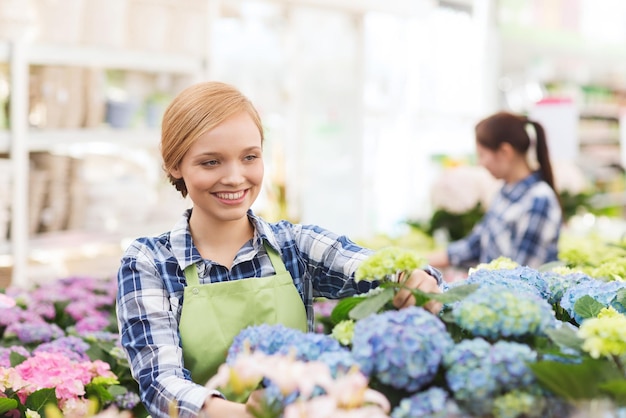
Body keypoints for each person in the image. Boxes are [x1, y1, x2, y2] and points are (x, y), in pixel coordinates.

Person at [116, 81, 444, 418]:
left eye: (249, 157)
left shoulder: (295, 247)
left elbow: (370, 267)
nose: (234, 177)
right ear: (175, 165)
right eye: (211, 162)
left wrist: (415, 278)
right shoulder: (150, 262)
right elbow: (160, 383)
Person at [427, 111, 563, 271]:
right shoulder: (505, 192)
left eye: (482, 155)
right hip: (493, 292)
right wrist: (419, 261)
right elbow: (475, 245)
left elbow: (523, 275)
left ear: (505, 152)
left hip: (514, 295)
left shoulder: (539, 200)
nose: (480, 163)